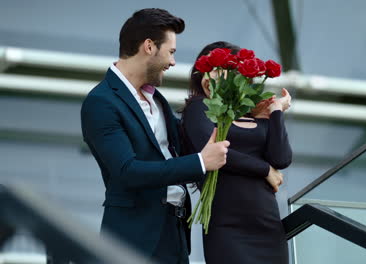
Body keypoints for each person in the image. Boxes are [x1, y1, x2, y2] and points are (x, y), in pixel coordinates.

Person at [80, 9, 229, 264]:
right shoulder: (101, 102)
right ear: (149, 47)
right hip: (134, 241)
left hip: (176, 233)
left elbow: (187, 143)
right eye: (171, 52)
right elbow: (128, 171)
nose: (173, 62)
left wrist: (220, 97)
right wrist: (201, 163)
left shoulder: (156, 99)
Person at [181, 41, 293, 264]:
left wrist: (276, 113)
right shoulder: (199, 108)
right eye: (206, 70)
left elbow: (281, 159)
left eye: (217, 69)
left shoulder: (257, 117)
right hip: (227, 225)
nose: (209, 76)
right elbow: (214, 152)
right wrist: (264, 170)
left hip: (267, 224)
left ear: (238, 75)